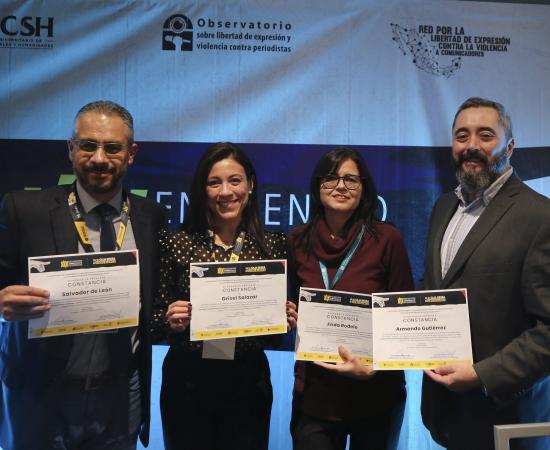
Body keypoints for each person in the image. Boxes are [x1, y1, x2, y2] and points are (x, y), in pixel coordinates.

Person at [0, 100, 168, 450]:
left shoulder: (151, 216)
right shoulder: (24, 209)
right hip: (41, 395)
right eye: (88, 145)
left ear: (131, 153)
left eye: (113, 148)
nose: (99, 158)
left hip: (121, 397)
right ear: (70, 148)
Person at [421, 97, 550, 450]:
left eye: (486, 135)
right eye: (462, 136)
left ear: (510, 146)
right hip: (447, 414)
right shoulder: (443, 206)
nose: (472, 145)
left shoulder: (541, 217)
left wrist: (483, 374)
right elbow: (434, 290)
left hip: (507, 420)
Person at [152, 142, 295, 450]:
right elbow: (152, 320)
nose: (225, 192)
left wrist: (284, 319)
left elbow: (274, 338)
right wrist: (168, 318)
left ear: (251, 185)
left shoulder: (272, 245)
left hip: (248, 380)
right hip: (187, 379)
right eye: (214, 182)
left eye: (235, 180)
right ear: (202, 190)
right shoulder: (176, 242)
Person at [287, 147, 414, 450]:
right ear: (318, 187)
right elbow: (291, 308)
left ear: (364, 188)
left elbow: (403, 318)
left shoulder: (386, 239)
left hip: (375, 394)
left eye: (351, 179)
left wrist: (374, 368)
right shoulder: (296, 241)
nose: (340, 186)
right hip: (315, 397)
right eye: (331, 178)